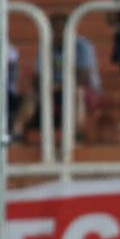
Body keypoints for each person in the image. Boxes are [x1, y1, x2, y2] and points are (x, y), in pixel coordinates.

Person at [12, 13, 102, 143]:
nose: (57, 33)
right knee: (30, 95)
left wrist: (59, 86)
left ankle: (75, 134)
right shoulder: (46, 46)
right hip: (53, 89)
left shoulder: (83, 46)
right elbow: (37, 78)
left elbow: (84, 78)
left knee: (77, 93)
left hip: (84, 90)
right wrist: (48, 86)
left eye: (60, 29)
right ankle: (16, 132)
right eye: (54, 30)